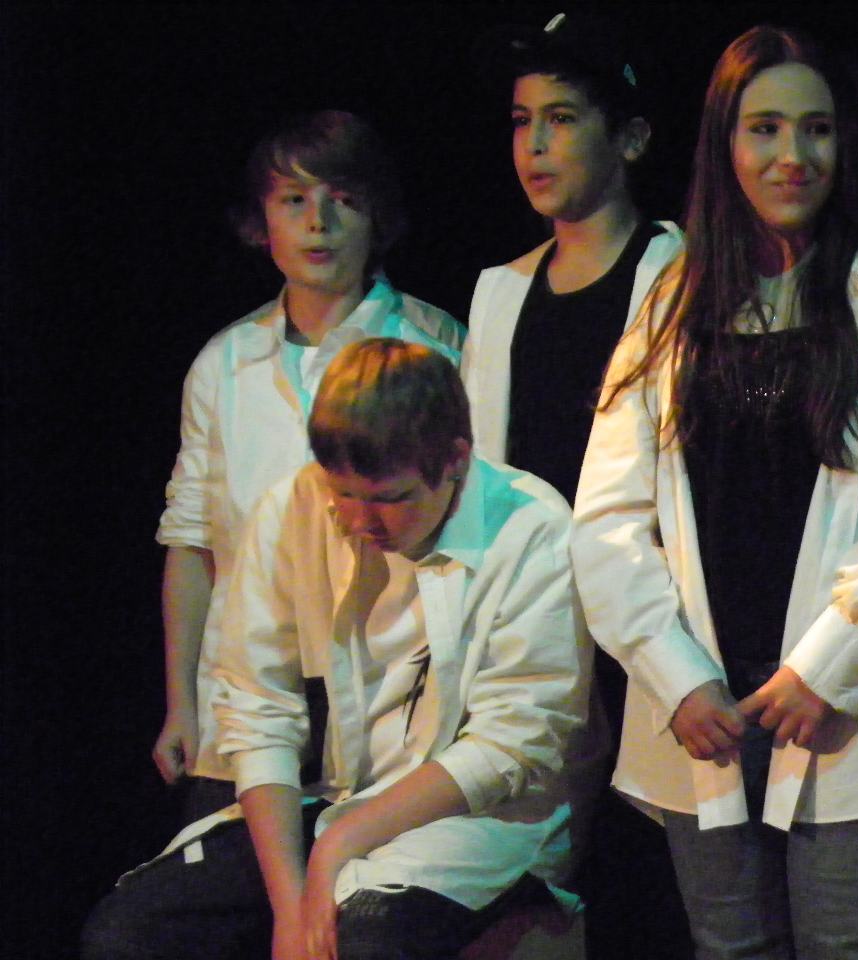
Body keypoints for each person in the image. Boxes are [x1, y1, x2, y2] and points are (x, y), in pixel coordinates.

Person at [572, 26, 858, 960]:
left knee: (850, 942)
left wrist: (826, 669)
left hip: (850, 705)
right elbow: (606, 522)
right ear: (724, 142)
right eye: (764, 129)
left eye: (817, 130)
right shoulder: (669, 308)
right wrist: (676, 676)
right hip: (704, 708)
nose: (791, 155)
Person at [84, 339, 595, 960]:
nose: (360, 522)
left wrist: (336, 847)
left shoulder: (531, 525)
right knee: (127, 934)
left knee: (367, 941)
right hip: (337, 799)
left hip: (480, 817)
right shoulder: (292, 507)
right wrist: (291, 904)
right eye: (343, 494)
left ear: (456, 459)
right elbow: (258, 707)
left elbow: (514, 740)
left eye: (390, 499)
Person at [152, 111, 465, 823]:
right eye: (294, 200)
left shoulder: (434, 347)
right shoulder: (225, 363)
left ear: (377, 215)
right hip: (244, 704)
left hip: (388, 704)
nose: (318, 223)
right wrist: (182, 704)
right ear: (261, 219)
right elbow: (192, 543)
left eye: (343, 199)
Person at [463, 13, 686, 956]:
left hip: (645, 624)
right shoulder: (500, 291)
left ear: (628, 137)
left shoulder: (677, 271)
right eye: (522, 122)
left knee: (651, 888)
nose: (536, 144)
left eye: (561, 119)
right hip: (538, 629)